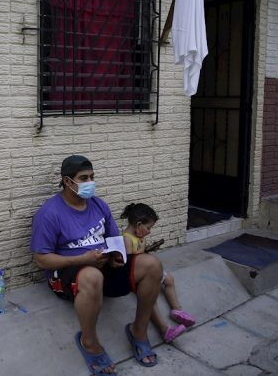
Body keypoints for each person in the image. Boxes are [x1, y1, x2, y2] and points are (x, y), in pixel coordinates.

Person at [30, 155, 163, 375]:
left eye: (92, 177)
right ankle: (89, 342)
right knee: (92, 276)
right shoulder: (49, 213)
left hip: (102, 267)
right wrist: (82, 259)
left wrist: (115, 256)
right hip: (68, 272)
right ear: (67, 181)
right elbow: (41, 259)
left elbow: (113, 241)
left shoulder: (99, 205)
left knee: (152, 265)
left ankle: (139, 331)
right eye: (83, 178)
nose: (90, 182)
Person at [121, 203, 196, 343]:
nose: (149, 231)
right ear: (138, 225)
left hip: (147, 271)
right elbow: (130, 261)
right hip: (136, 277)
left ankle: (176, 310)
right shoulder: (126, 238)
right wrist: (143, 248)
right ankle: (165, 330)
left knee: (169, 279)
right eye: (148, 228)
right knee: (150, 298)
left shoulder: (139, 236)